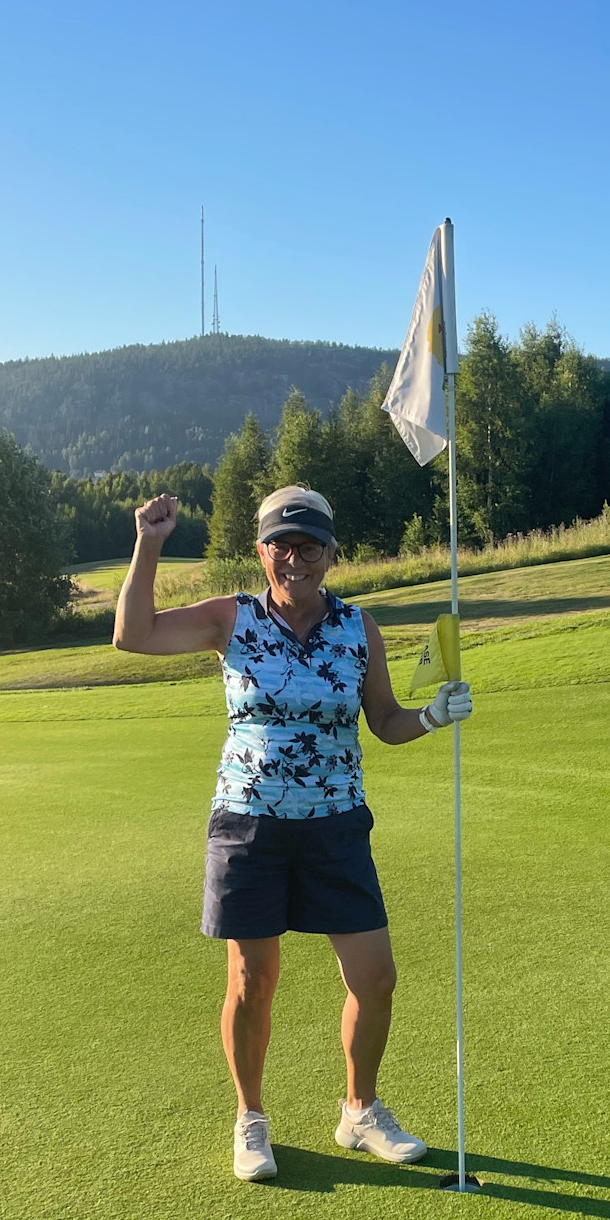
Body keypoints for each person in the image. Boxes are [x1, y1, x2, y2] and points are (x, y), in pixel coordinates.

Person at [113, 485, 473, 1181]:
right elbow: (133, 635)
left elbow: (386, 722)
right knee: (253, 979)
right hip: (250, 825)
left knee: (376, 978)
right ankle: (250, 1119)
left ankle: (358, 1110)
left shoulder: (357, 627)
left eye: (309, 545)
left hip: (336, 825)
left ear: (333, 553)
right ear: (261, 553)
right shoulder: (232, 619)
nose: (295, 558)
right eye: (281, 545)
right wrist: (148, 543)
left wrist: (434, 716)